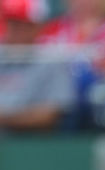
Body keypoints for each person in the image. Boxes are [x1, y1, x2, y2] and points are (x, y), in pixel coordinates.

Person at [0, 0, 79, 131]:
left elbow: (49, 116)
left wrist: (3, 118)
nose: (15, 31)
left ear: (38, 27)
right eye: (11, 24)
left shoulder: (51, 60)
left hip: (33, 144)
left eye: (23, 25)